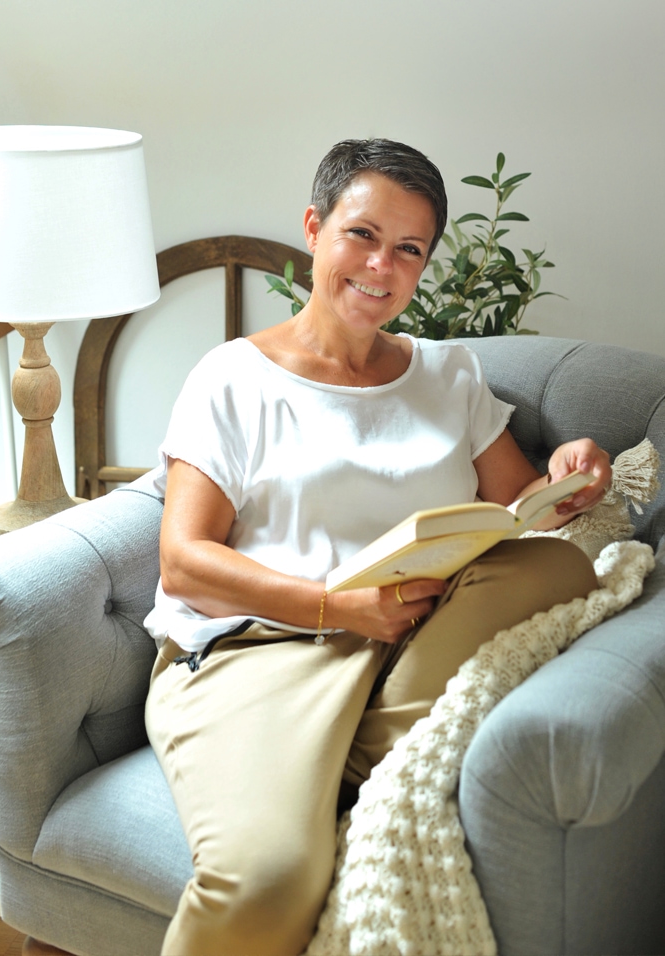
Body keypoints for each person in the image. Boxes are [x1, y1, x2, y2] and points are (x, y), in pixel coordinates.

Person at [144, 138, 611, 956]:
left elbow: (524, 513)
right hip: (262, 649)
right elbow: (184, 564)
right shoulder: (234, 378)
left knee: (556, 564)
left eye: (408, 249)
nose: (380, 266)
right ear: (314, 228)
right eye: (361, 235)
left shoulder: (448, 374)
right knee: (267, 879)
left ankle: (340, 761)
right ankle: (351, 770)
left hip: (410, 644)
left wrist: (574, 472)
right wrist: (338, 607)